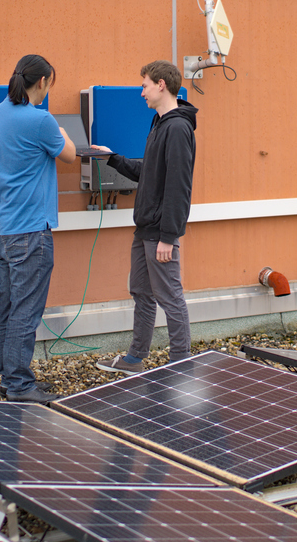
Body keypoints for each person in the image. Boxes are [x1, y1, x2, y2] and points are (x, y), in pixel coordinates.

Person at [94, 60, 197, 374]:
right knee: (141, 292)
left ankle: (180, 365)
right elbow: (150, 174)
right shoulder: (160, 123)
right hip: (145, 229)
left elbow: (179, 186)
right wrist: (112, 158)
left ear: (161, 85)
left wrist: (169, 236)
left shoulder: (178, 128)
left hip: (159, 233)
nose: (142, 92)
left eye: (145, 85)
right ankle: (135, 359)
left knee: (170, 297)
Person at [0, 54, 75, 402]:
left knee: (8, 307)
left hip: (3, 230)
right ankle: (20, 386)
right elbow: (68, 154)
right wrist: (63, 132)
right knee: (26, 311)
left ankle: (10, 378)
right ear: (44, 83)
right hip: (31, 233)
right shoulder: (41, 121)